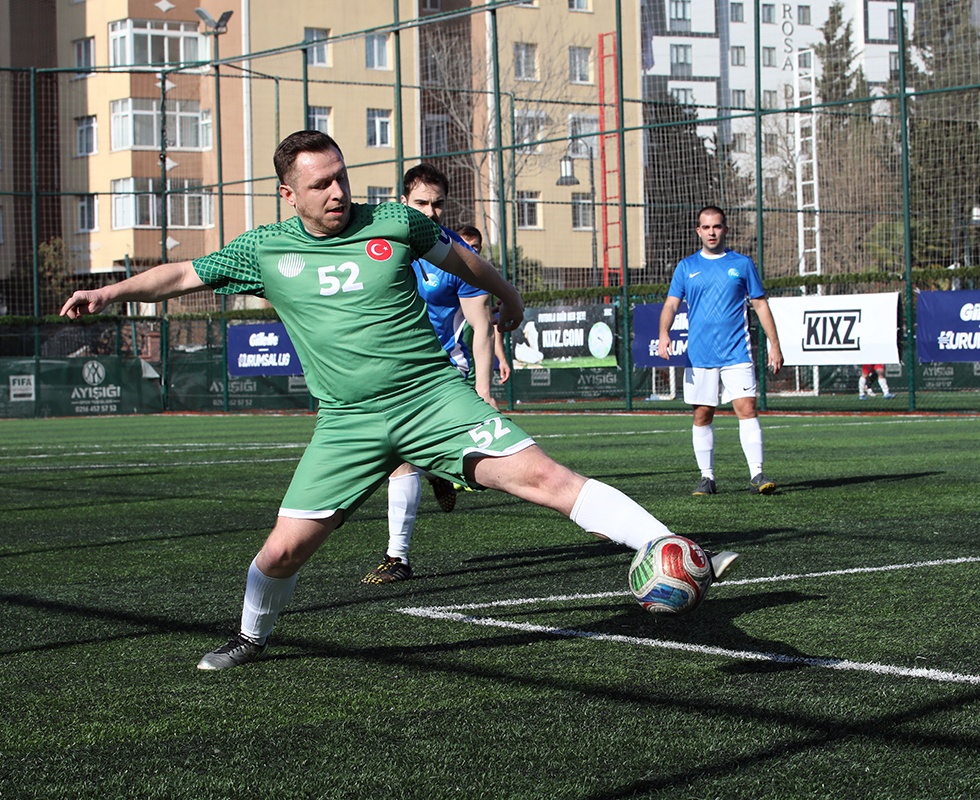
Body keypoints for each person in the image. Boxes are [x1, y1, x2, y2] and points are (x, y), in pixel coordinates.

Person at [60, 130, 739, 671]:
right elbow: (183, 273)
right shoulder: (263, 249)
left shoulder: (393, 221)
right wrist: (109, 293)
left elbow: (461, 261)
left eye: (341, 177)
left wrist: (506, 294)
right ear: (287, 194)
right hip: (348, 424)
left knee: (546, 478)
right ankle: (250, 636)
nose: (337, 192)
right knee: (281, 554)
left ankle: (672, 548)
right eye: (320, 184)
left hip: (432, 398)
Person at [360, 165, 501, 584]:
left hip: (445, 369)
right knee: (399, 454)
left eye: (438, 204)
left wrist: (483, 389)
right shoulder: (379, 248)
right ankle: (398, 557)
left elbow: (481, 325)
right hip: (397, 369)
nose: (430, 211)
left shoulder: (458, 255)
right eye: (421, 202)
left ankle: (402, 546)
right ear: (403, 203)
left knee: (474, 458)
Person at [656, 205, 784, 496]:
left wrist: (774, 344)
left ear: (725, 229)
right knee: (702, 414)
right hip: (700, 355)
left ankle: (757, 474)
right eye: (706, 227)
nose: (711, 232)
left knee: (747, 408)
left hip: (736, 352)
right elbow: (671, 304)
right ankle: (707, 478)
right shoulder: (686, 267)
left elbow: (760, 304)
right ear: (698, 231)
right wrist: (663, 333)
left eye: (716, 226)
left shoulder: (742, 264)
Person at [458, 224, 512, 384]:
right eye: (465, 245)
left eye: (474, 246)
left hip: (471, 363)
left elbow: (491, 324)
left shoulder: (484, 280)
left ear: (480, 248)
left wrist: (501, 359)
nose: (470, 250)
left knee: (481, 395)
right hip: (445, 360)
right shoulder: (440, 276)